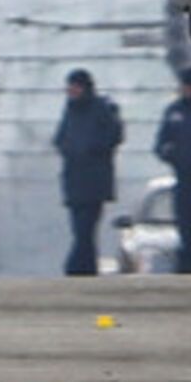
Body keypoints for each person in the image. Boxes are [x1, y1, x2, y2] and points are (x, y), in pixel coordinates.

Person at [53, 68, 123, 276]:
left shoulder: (101, 109)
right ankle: (86, 268)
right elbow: (60, 138)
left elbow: (113, 136)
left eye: (75, 86)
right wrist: (69, 150)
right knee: (79, 229)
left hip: (95, 180)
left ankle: (75, 267)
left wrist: (90, 149)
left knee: (86, 228)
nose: (71, 90)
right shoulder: (70, 110)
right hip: (74, 179)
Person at [153, 67, 191, 273]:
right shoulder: (174, 111)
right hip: (183, 177)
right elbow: (161, 143)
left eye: (188, 86)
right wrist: (170, 154)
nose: (185, 90)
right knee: (185, 223)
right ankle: (186, 261)